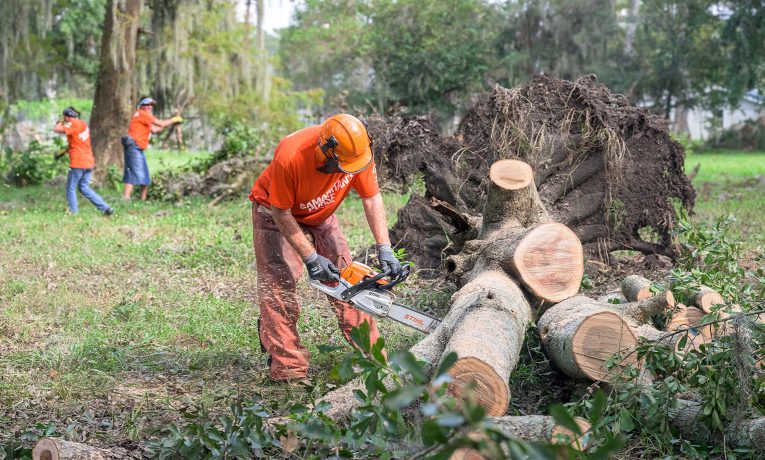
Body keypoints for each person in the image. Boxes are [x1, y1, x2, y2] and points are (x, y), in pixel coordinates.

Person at [249, 113, 402, 384]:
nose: (352, 172)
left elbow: (371, 197)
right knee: (278, 286)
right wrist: (310, 257)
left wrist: (385, 247)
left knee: (350, 280)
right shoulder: (291, 155)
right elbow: (281, 212)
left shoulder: (357, 151)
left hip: (321, 214)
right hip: (274, 212)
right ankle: (289, 370)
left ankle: (374, 360)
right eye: (345, 167)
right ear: (326, 152)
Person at [53, 107, 114, 216]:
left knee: (70, 188)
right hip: (88, 161)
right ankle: (106, 208)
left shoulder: (72, 124)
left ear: (67, 117)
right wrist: (61, 154)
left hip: (78, 162)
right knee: (84, 187)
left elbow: (57, 129)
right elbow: (76, 143)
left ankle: (73, 212)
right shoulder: (83, 124)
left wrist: (60, 122)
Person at [122, 97, 182, 200]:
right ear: (142, 106)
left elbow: (155, 129)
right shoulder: (142, 114)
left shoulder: (144, 117)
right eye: (147, 104)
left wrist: (170, 123)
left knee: (145, 176)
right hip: (134, 146)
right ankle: (126, 199)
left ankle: (142, 200)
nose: (150, 107)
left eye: (151, 105)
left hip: (137, 148)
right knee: (132, 173)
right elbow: (161, 123)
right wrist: (173, 120)